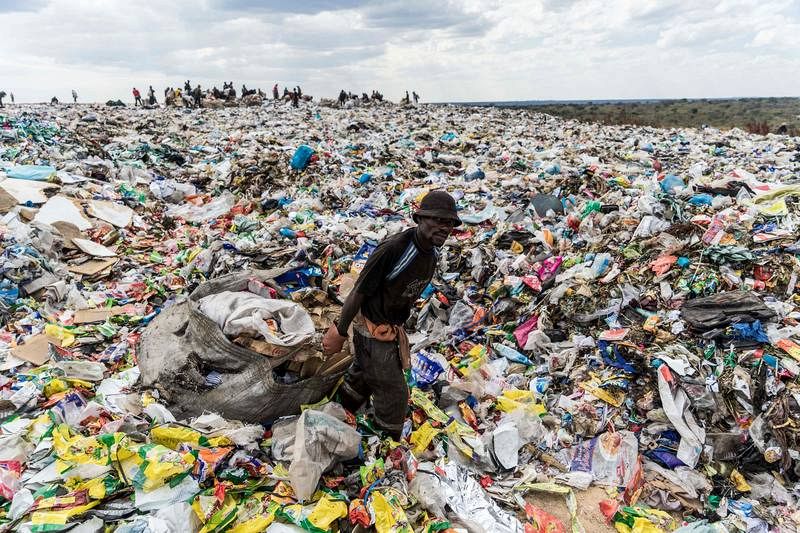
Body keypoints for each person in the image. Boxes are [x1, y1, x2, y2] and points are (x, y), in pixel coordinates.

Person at [322, 191, 461, 438]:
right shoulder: (395, 249)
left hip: (389, 329)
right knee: (395, 395)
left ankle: (338, 412)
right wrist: (340, 331)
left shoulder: (430, 253)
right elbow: (359, 292)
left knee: (364, 376)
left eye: (449, 223)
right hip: (372, 329)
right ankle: (387, 446)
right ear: (420, 218)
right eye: (438, 220)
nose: (444, 227)